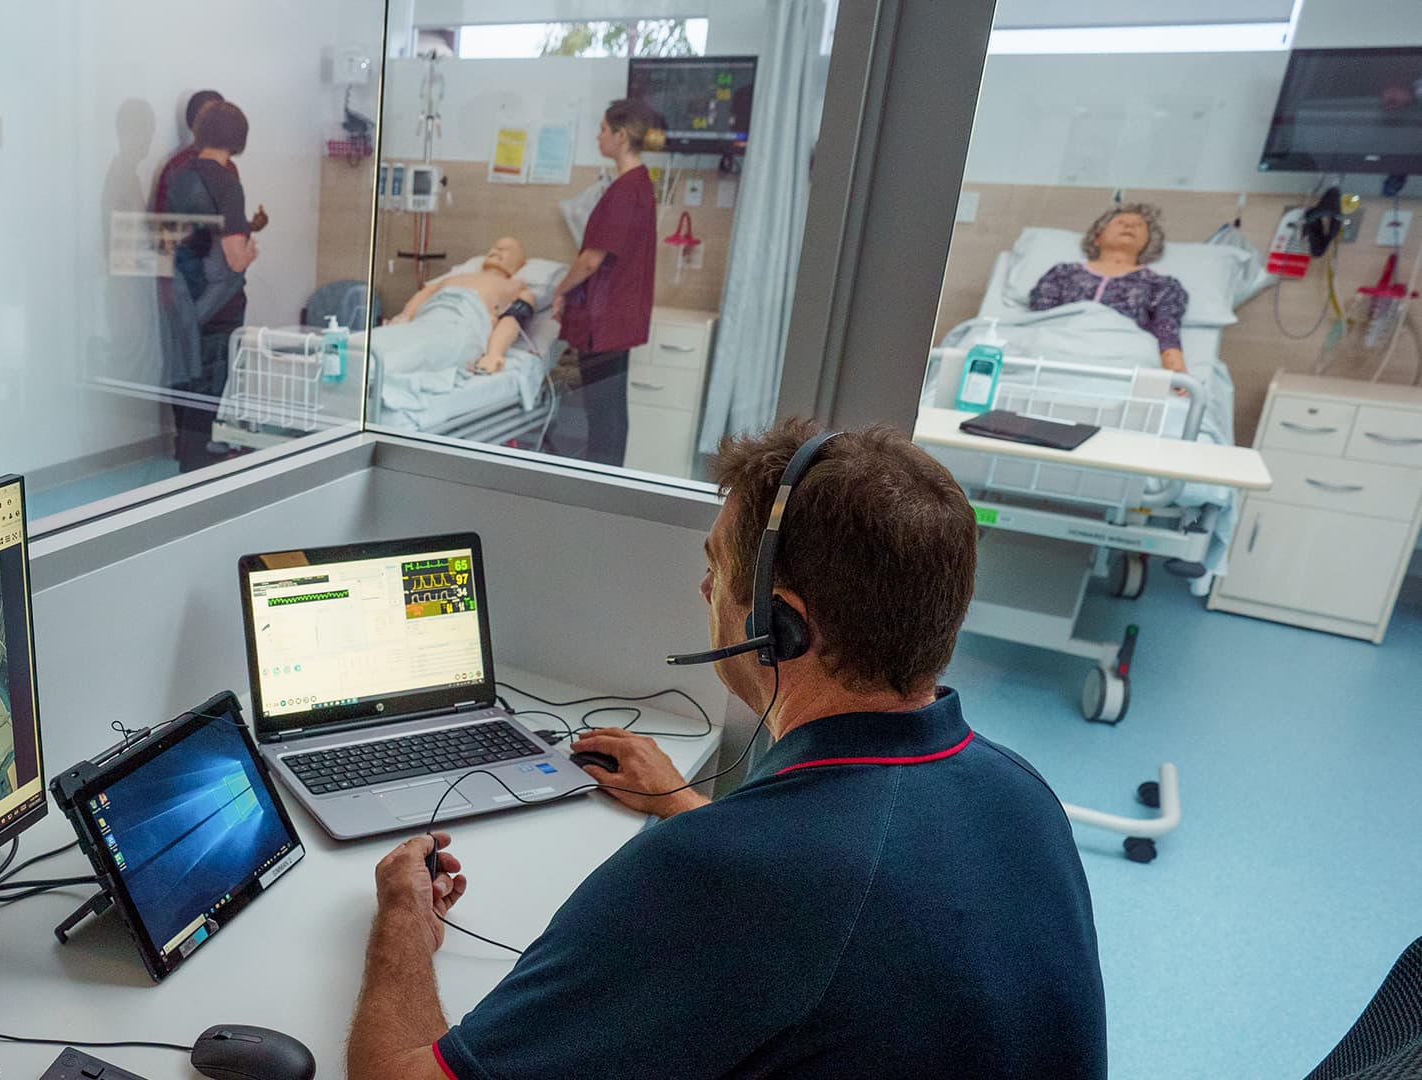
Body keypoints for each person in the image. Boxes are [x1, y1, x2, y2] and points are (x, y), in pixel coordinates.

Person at [346, 420, 1107, 1079]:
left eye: (717, 567)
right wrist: (683, 803)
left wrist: (403, 920)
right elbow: (857, 898)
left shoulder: (718, 876)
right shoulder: (1021, 793)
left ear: (781, 626)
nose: (704, 587)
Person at [551, 99, 662, 466]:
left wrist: (559, 289)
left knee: (603, 409)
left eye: (602, 129)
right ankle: (609, 475)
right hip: (617, 315)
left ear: (621, 135)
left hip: (606, 318)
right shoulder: (637, 185)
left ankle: (602, 478)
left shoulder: (626, 190)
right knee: (611, 405)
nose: (598, 137)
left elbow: (589, 260)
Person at [159, 100, 260, 472]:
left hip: (184, 297)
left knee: (185, 382)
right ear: (237, 138)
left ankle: (185, 467)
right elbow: (234, 257)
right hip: (219, 307)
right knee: (209, 392)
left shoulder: (179, 175)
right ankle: (196, 478)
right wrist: (252, 250)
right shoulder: (227, 183)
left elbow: (171, 240)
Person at [1029, 202, 1189, 378]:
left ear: (1148, 242)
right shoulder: (1063, 273)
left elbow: (1166, 329)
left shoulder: (1162, 285)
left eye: (1138, 225)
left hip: (1125, 353)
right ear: (1097, 237)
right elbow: (1041, 318)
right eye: (1120, 222)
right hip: (1058, 345)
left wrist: (1177, 372)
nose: (1129, 226)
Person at [384, 237, 538, 375]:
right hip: (425, 321)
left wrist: (494, 354)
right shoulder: (457, 277)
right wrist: (404, 316)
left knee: (401, 357)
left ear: (519, 263)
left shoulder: (516, 288)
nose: (496, 250)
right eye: (495, 247)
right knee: (374, 343)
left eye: (506, 249)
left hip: (462, 328)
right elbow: (426, 292)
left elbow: (512, 321)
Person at [151, 89, 229, 213]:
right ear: (192, 123)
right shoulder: (176, 167)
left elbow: (234, 222)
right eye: (206, 120)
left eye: (218, 119)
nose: (213, 125)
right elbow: (162, 222)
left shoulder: (229, 168)